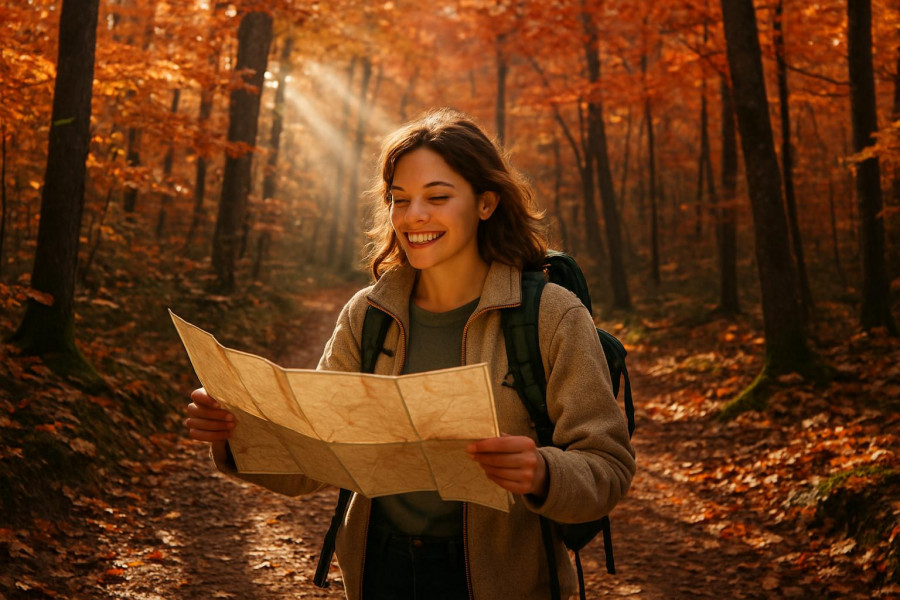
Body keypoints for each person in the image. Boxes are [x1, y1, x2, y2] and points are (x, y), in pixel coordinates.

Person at [186, 107, 636, 599]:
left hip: (502, 579)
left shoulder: (550, 314)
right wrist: (234, 434)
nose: (413, 216)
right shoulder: (369, 314)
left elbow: (607, 466)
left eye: (437, 197)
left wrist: (543, 471)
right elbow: (315, 456)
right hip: (380, 571)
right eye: (399, 200)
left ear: (486, 203)